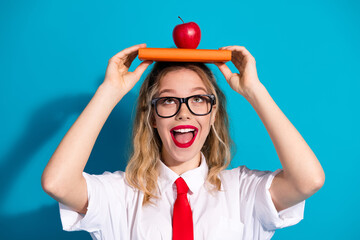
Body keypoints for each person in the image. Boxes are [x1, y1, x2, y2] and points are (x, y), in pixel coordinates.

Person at [41, 43, 325, 240]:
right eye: (168, 101)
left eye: (198, 99)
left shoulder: (243, 191)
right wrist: (109, 91)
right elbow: (58, 183)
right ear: (152, 117)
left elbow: (308, 180)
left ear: (213, 113)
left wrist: (254, 90)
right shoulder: (120, 195)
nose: (184, 111)